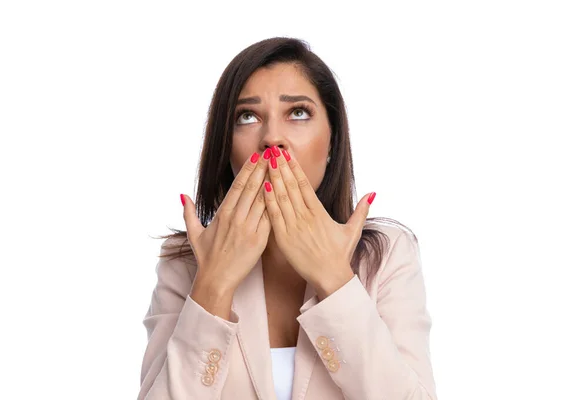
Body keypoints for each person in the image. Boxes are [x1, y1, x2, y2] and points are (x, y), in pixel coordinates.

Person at [138, 37, 437, 400]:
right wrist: (212, 285)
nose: (272, 138)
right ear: (225, 146)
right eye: (247, 116)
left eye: (297, 112)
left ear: (333, 142)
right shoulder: (185, 262)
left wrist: (335, 280)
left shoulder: (386, 255)